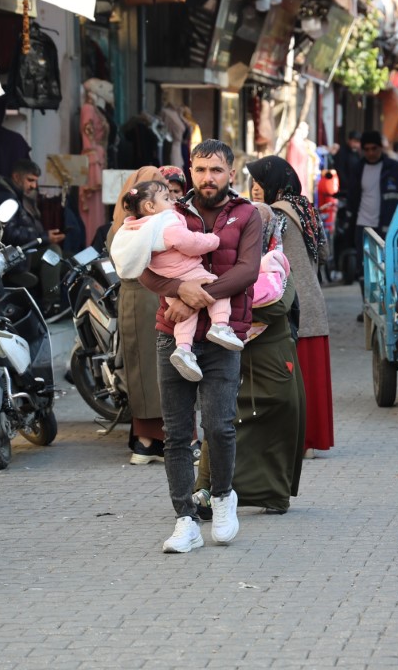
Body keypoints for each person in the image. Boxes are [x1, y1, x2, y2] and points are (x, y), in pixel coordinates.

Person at [138, 139, 262, 553]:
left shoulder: (247, 214)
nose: (208, 178)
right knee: (176, 434)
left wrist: (194, 296)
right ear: (190, 170)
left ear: (231, 172)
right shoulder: (168, 211)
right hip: (171, 334)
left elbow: (247, 272)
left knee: (219, 426)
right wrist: (181, 289)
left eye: (217, 170)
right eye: (201, 169)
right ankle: (184, 521)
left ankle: (224, 497)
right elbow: (143, 269)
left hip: (224, 336)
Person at [194, 203, 306, 515]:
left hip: (271, 364)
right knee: (219, 424)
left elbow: (277, 307)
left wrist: (230, 304)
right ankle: (207, 492)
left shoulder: (279, 263)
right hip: (228, 356)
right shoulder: (220, 261)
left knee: (275, 428)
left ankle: (272, 494)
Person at [246, 155, 335, 458]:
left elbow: (256, 256)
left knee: (290, 377)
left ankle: (295, 441)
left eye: (261, 182)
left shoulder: (269, 214)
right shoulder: (306, 208)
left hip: (287, 302)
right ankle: (311, 440)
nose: (255, 188)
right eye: (253, 182)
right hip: (313, 301)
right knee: (312, 375)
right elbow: (325, 253)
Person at [112, 180, 244, 381]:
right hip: (188, 272)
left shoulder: (135, 230)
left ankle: (183, 350)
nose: (172, 201)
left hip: (169, 285)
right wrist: (212, 240)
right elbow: (190, 243)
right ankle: (220, 325)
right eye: (166, 198)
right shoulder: (165, 223)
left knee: (185, 318)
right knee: (215, 286)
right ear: (150, 207)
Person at [106, 166, 169, 465]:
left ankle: (144, 442)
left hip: (131, 300)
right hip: (158, 297)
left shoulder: (120, 224)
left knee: (139, 370)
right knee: (166, 368)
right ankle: (171, 440)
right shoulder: (158, 222)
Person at [0, 158, 66, 315]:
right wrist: (44, 238)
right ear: (16, 177)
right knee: (52, 251)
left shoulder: (14, 196)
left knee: (68, 259)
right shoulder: (4, 198)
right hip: (6, 257)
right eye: (30, 180)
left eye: (35, 181)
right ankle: (51, 306)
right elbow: (9, 234)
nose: (34, 186)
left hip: (18, 253)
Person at [344, 130, 398, 313]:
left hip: (387, 227)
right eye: (367, 149)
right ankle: (368, 306)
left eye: (374, 148)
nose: (371, 153)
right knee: (364, 269)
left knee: (387, 267)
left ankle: (386, 306)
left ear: (381, 148)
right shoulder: (358, 168)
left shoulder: (394, 168)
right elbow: (352, 198)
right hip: (363, 225)